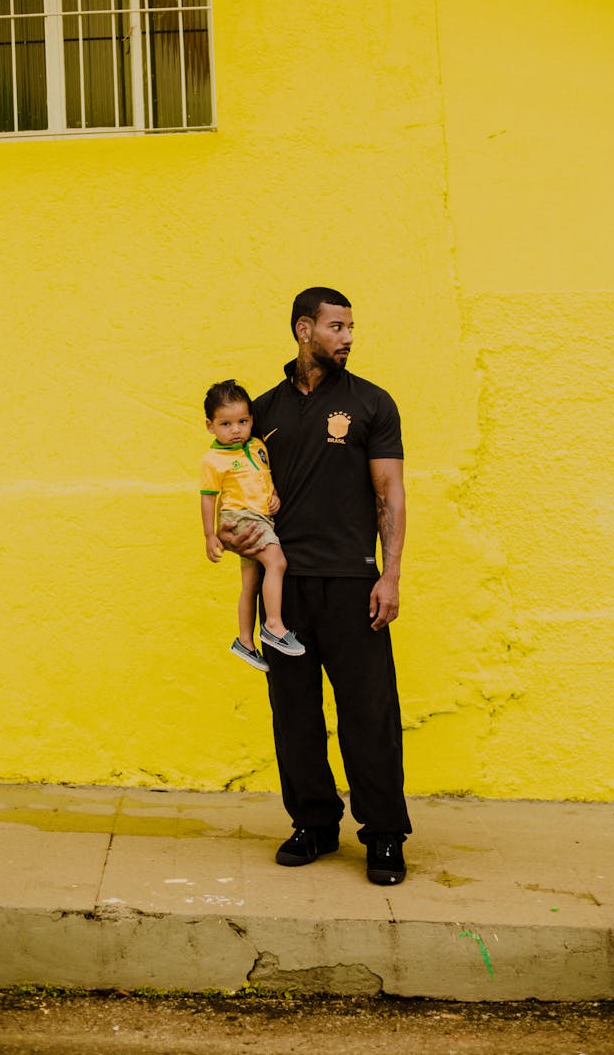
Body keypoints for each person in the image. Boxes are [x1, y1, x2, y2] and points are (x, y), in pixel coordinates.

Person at [218, 288, 411, 885]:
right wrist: (231, 533)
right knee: (294, 714)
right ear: (305, 330)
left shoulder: (372, 403)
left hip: (354, 582)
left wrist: (391, 572)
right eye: (336, 326)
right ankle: (314, 824)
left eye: (351, 326)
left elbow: (390, 493)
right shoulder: (264, 411)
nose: (348, 337)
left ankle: (382, 835)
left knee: (368, 714)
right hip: (287, 588)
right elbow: (235, 485)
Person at [200, 379, 305, 671]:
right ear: (210, 426)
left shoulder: (257, 445)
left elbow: (262, 478)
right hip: (239, 517)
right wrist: (210, 535)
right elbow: (209, 499)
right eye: (226, 424)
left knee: (251, 584)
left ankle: (245, 640)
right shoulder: (214, 460)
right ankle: (273, 624)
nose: (236, 430)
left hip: (259, 516)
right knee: (277, 562)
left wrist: (273, 496)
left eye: (243, 421)